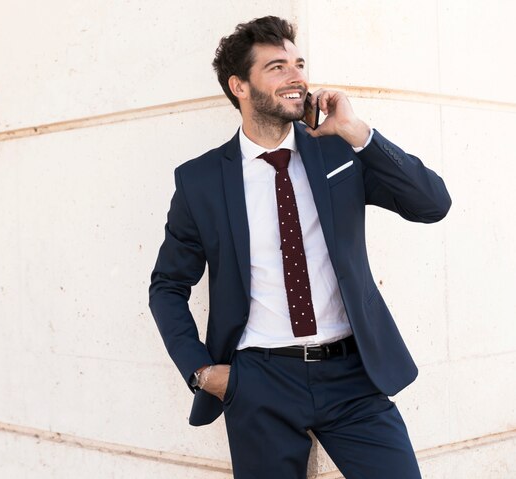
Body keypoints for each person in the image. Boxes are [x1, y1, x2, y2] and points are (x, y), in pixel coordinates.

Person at [149, 15, 450, 479]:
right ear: (240, 86)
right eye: (276, 67)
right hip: (259, 382)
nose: (297, 77)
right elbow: (168, 285)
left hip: (353, 375)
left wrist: (357, 131)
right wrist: (203, 373)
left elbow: (432, 204)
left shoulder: (339, 152)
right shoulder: (201, 180)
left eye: (299, 63)